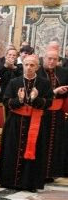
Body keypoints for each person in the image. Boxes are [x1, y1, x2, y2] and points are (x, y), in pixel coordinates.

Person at [0, 56, 52, 192]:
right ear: (23, 66)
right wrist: (19, 100)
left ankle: (29, 183)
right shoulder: (14, 82)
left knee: (35, 152)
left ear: (37, 67)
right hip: (15, 122)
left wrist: (36, 99)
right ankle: (9, 181)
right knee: (11, 150)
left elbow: (49, 102)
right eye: (26, 64)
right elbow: (6, 101)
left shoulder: (44, 83)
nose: (29, 67)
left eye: (32, 65)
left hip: (36, 123)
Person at [37, 49, 68, 182]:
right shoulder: (37, 72)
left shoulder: (63, 72)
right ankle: (40, 173)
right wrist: (54, 91)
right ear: (44, 58)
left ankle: (51, 173)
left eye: (55, 59)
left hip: (58, 113)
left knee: (55, 143)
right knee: (42, 142)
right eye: (49, 58)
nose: (51, 61)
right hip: (43, 113)